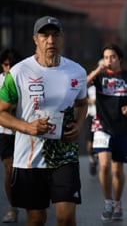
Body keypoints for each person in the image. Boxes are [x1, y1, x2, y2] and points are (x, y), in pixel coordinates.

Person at [0, 16, 88, 226]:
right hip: (30, 159)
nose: (50, 40)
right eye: (45, 35)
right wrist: (26, 127)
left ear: (62, 39)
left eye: (55, 35)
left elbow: (82, 103)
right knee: (36, 219)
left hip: (65, 155)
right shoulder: (18, 72)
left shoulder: (77, 71)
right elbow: (2, 112)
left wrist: (78, 124)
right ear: (35, 39)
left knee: (66, 218)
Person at [87, 44, 127, 222]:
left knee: (117, 170)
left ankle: (118, 202)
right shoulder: (100, 76)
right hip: (101, 126)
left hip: (121, 126)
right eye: (105, 57)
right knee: (104, 165)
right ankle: (108, 202)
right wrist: (98, 69)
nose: (109, 60)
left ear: (119, 58)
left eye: (112, 57)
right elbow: (83, 83)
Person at [0, 48, 22, 223]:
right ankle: (13, 207)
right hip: (5, 133)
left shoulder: (23, 79)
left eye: (12, 64)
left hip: (26, 132)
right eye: (6, 64)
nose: (9, 68)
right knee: (9, 171)